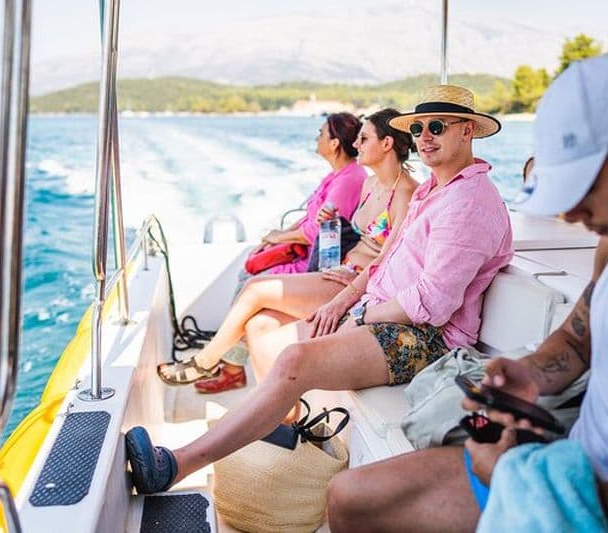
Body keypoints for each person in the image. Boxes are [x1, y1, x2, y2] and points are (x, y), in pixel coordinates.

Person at [326, 51, 608, 532]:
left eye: (582, 191)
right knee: (351, 497)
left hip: (603, 502)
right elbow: (578, 341)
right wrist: (527, 375)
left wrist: (514, 475)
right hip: (571, 465)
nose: (572, 216)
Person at [126, 85, 514, 496]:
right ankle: (286, 434)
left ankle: (177, 465)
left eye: (437, 126)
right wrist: (344, 301)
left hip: (426, 339)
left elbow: (431, 303)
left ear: (468, 131)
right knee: (262, 328)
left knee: (294, 359)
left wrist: (362, 315)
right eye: (418, 128)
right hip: (383, 311)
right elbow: (385, 262)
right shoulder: (431, 192)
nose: (425, 137)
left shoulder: (469, 202)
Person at [159, 108, 418, 392]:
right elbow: (354, 233)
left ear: (387, 144)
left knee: (256, 289)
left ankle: (205, 362)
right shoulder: (370, 184)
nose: (356, 146)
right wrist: (329, 223)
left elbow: (387, 259)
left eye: (364, 138)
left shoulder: (406, 194)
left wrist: (346, 296)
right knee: (259, 325)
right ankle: (286, 420)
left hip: (355, 284)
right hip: (339, 268)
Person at [255, 112, 367, 275]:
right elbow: (309, 217)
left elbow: (322, 230)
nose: (317, 139)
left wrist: (278, 238)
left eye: (321, 134)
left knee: (249, 281)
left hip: (314, 265)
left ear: (334, 143)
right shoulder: (336, 175)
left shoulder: (349, 181)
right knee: (251, 265)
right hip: (301, 254)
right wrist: (278, 236)